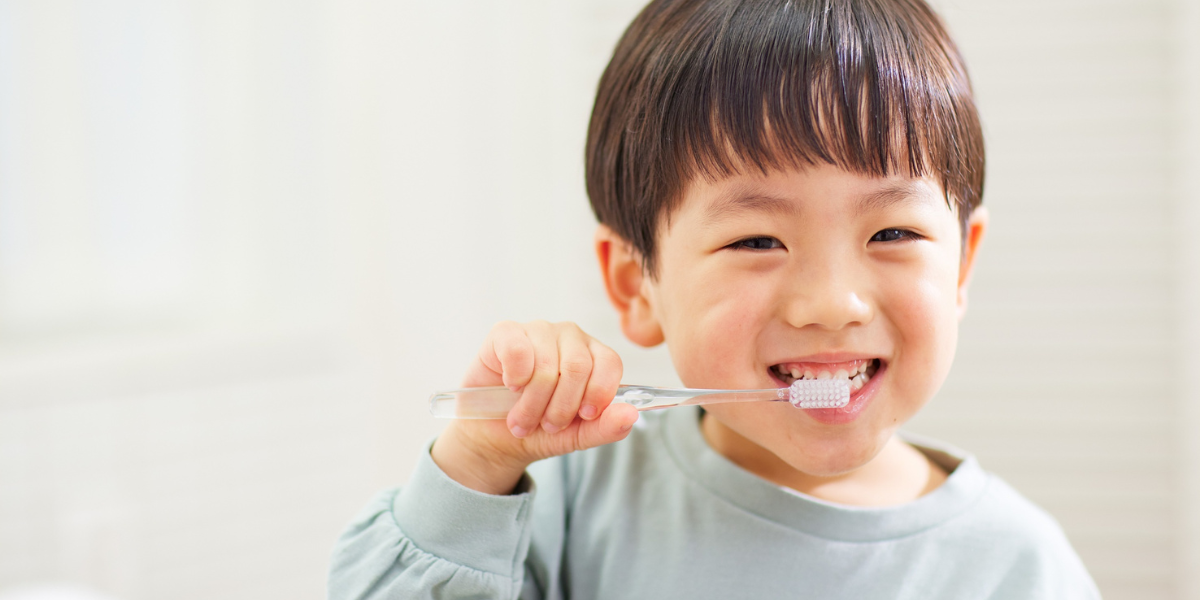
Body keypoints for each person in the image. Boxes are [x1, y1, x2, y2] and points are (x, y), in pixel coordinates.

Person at [328, 0, 1101, 597]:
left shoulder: (1020, 569)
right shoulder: (563, 506)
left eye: (892, 232)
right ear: (638, 285)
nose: (832, 304)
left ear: (962, 265)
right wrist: (478, 463)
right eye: (757, 242)